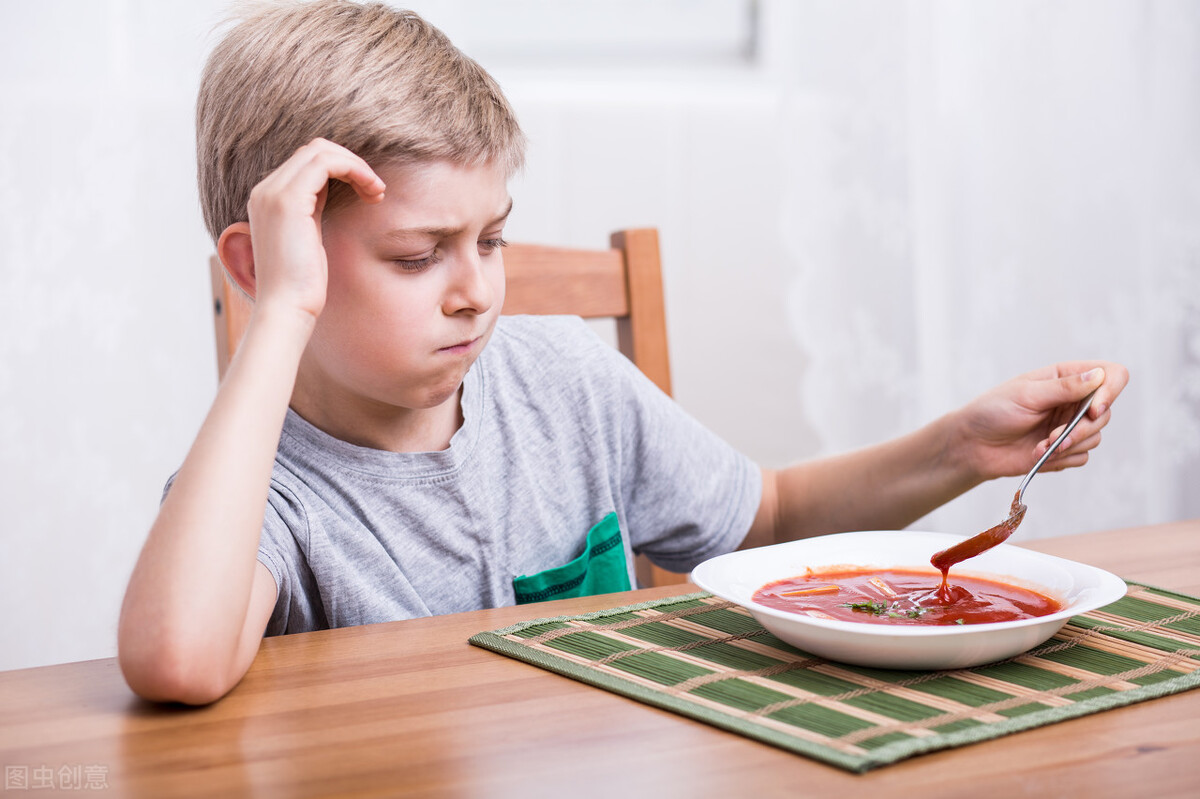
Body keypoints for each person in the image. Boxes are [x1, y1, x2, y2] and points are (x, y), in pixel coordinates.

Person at [117, 0, 1129, 705]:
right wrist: (278, 313)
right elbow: (176, 659)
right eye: (420, 255)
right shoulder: (273, 493)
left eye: (493, 238)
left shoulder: (562, 379)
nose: (476, 289)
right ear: (268, 265)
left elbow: (763, 519)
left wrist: (964, 447)